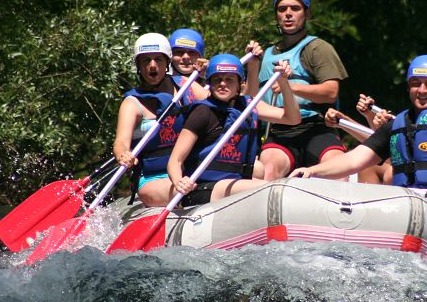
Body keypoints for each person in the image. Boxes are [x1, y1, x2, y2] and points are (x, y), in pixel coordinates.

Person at [290, 55, 427, 230]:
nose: (422, 90)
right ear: (408, 87)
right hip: (408, 206)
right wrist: (312, 171)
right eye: (416, 84)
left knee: (421, 219)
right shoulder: (398, 124)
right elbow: (355, 159)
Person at [167, 54, 301, 206]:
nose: (222, 84)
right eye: (217, 79)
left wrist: (283, 82)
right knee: (268, 188)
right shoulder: (202, 112)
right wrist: (179, 181)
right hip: (202, 187)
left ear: (239, 83)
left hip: (235, 182)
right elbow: (175, 160)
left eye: (229, 79)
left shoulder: (248, 106)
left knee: (267, 180)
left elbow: (292, 118)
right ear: (209, 82)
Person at [256, 0, 349, 180]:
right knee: (268, 170)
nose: (288, 14)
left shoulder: (318, 48)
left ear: (307, 14)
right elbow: (251, 96)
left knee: (337, 167)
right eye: (282, 9)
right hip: (279, 130)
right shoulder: (265, 54)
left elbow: (331, 92)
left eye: (295, 8)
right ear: (276, 15)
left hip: (316, 127)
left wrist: (289, 86)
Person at [113, 33, 209, 207]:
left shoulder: (185, 85)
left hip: (189, 169)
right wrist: (123, 154)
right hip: (154, 178)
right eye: (146, 60)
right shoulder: (132, 103)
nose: (152, 65)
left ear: (167, 63)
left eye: (158, 59)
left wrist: (211, 75)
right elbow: (121, 142)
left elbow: (221, 105)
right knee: (190, 191)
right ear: (138, 66)